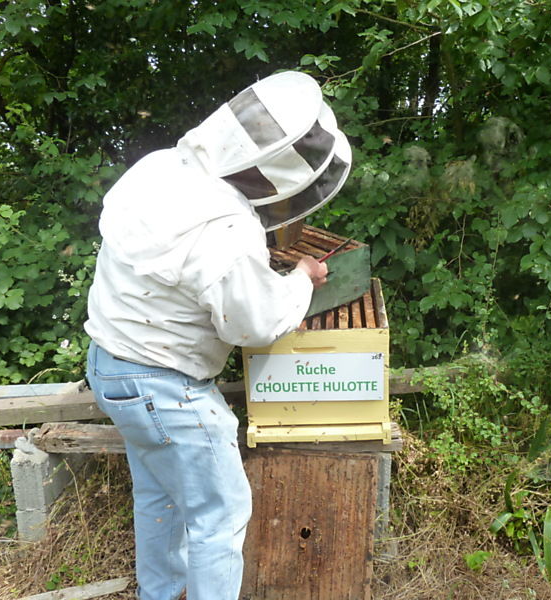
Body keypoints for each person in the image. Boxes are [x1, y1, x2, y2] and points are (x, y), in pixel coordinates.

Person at [84, 71, 351, 600]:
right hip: (167, 389)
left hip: (110, 368)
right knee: (219, 518)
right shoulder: (225, 227)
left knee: (158, 499)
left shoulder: (160, 168)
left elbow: (187, 282)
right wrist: (302, 278)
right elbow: (252, 325)